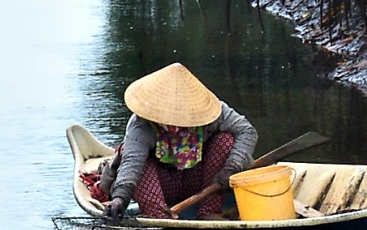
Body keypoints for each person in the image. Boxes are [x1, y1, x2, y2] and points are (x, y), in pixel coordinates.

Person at [99, 63, 258, 221]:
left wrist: (231, 168)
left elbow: (247, 131)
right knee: (132, 155)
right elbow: (132, 162)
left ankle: (208, 211)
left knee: (225, 141)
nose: (174, 125)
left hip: (200, 181)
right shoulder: (141, 125)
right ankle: (159, 216)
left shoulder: (213, 111)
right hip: (160, 186)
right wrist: (120, 198)